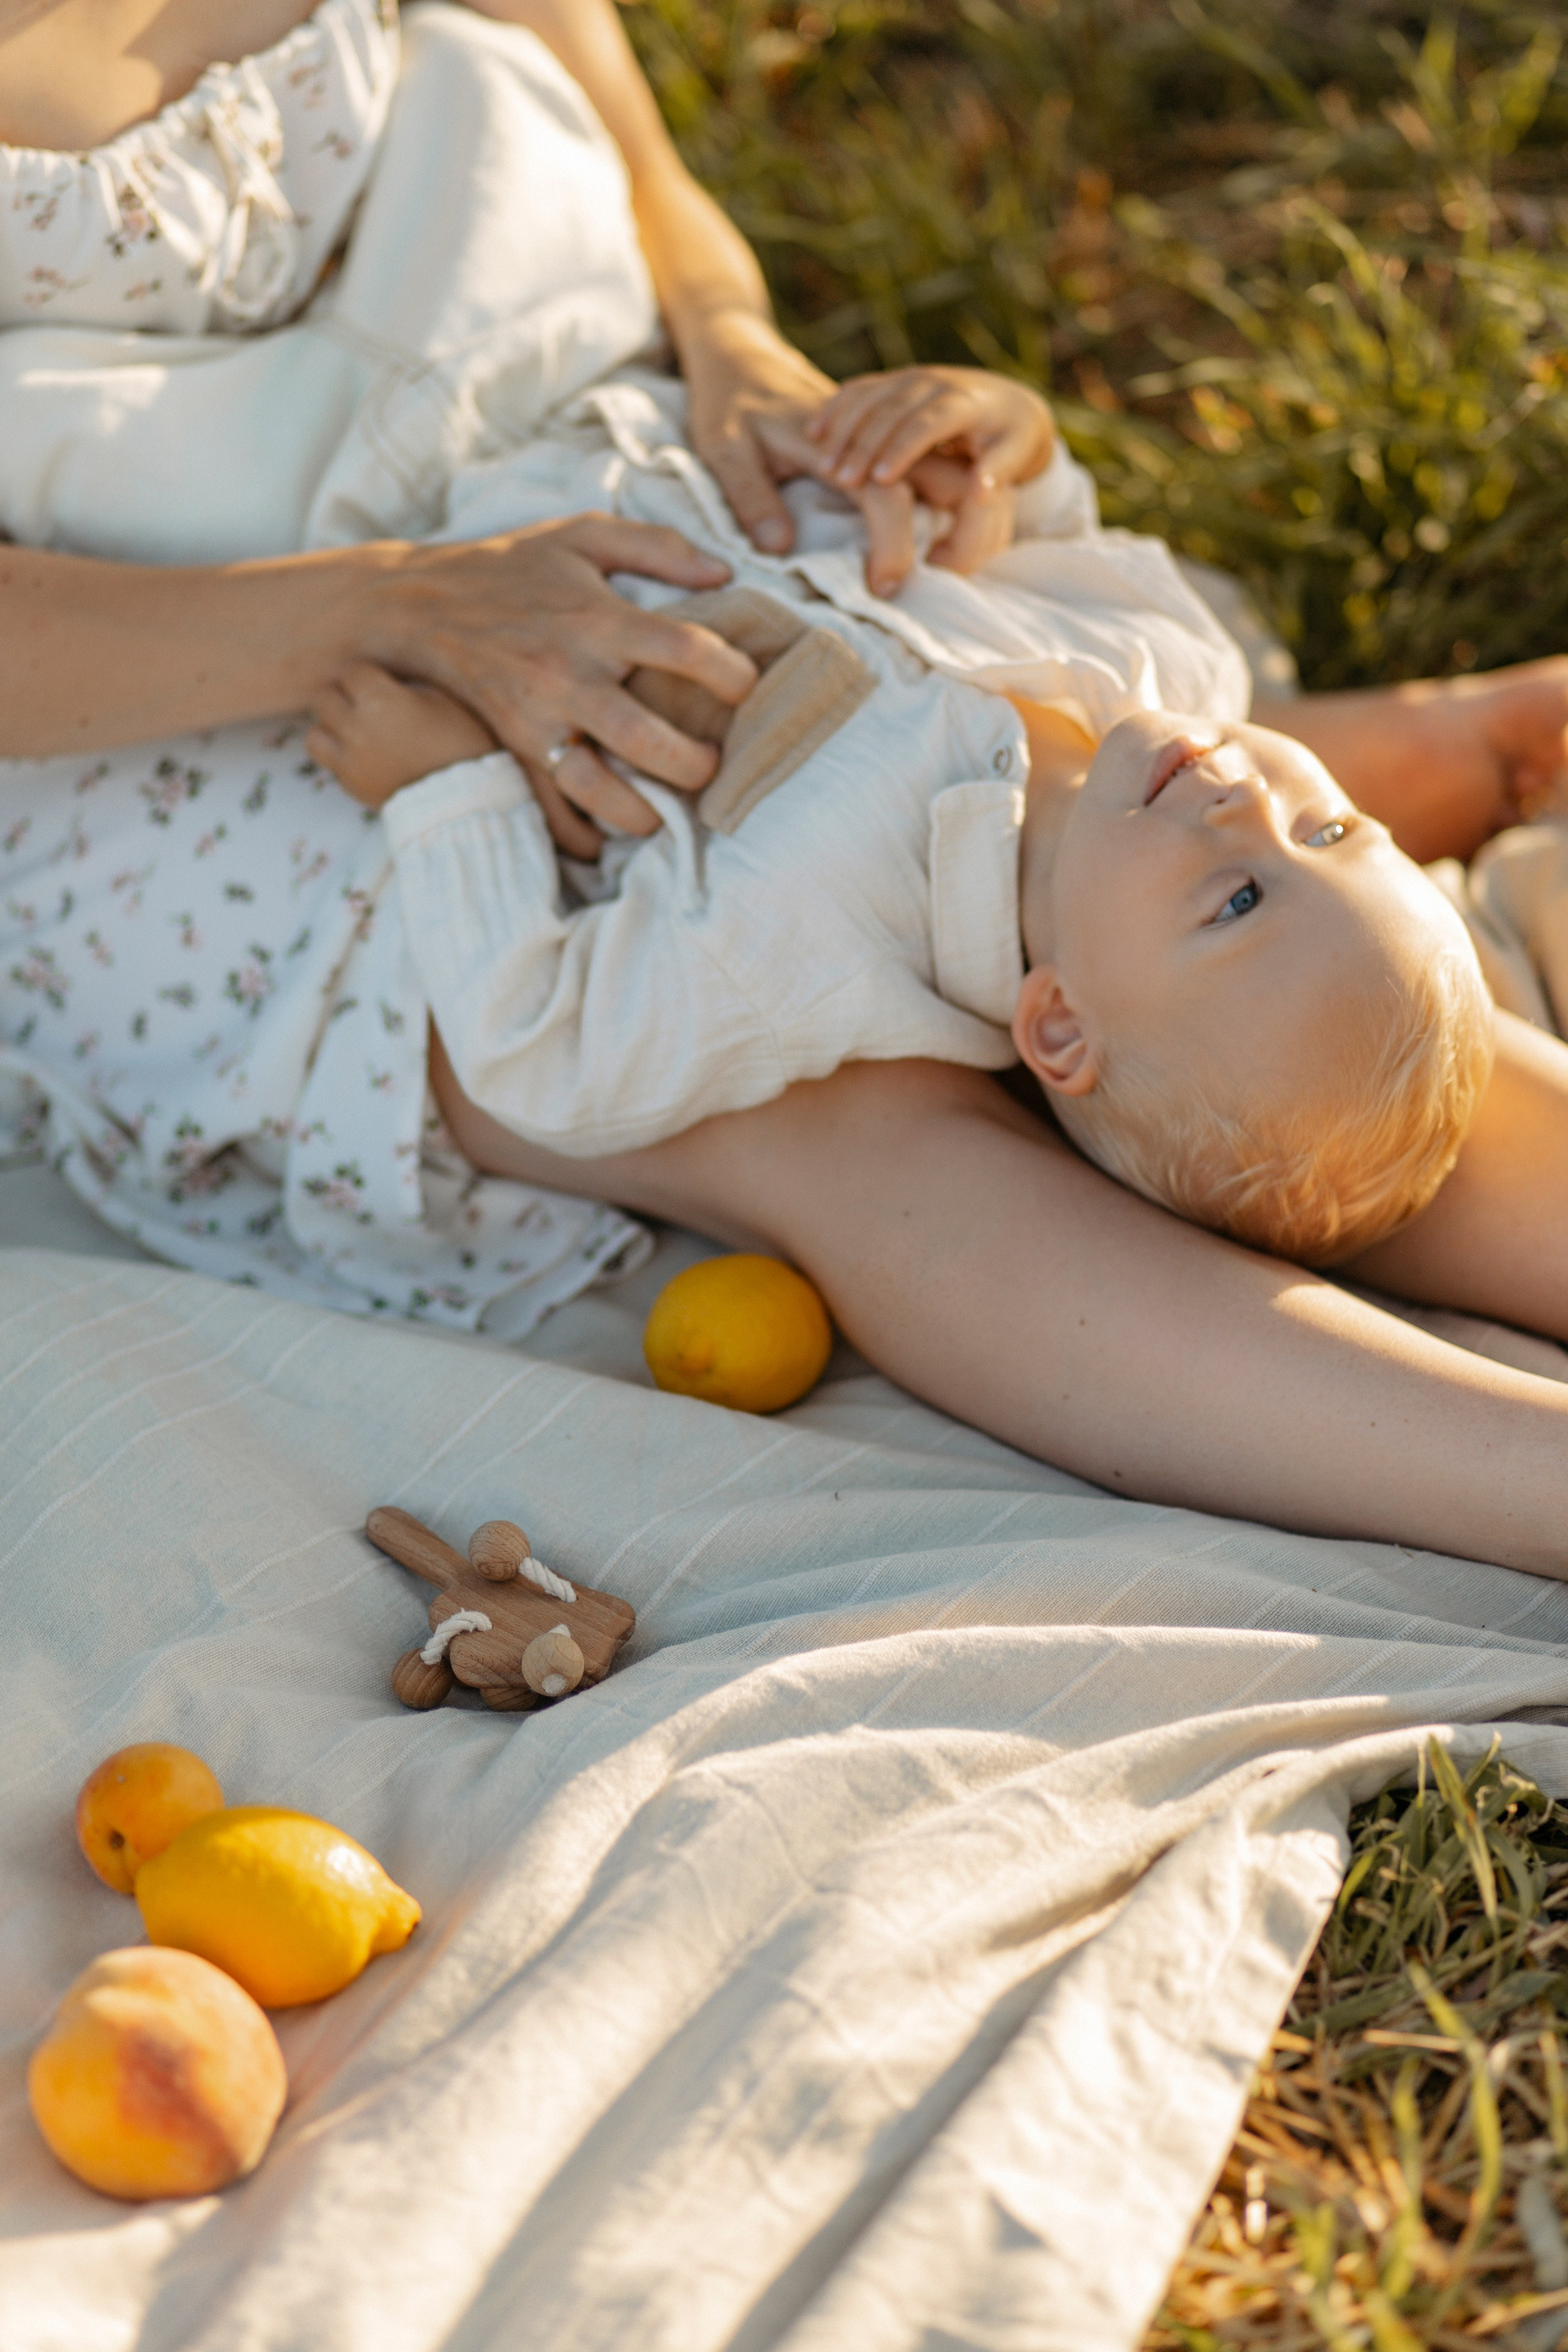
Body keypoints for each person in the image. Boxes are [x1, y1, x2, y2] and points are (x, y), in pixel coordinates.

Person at [10, 0, 1568, 1585]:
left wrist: (729, 324)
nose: (1250, 806)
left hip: (623, 483)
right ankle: (1530, 1482)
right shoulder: (782, 911)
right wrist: (416, 678)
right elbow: (553, 1028)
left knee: (1316, 1025)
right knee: (822, 1091)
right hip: (234, 719)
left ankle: (1343, 795)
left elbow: (583, 72)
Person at [305, 615, 1491, 1268]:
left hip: (427, 594)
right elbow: (1058, 548)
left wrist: (448, 791)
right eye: (1331, 828)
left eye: (1234, 902)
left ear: (1059, 1021)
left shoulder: (821, 921)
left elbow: (547, 1056)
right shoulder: (1163, 674)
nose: (1251, 804)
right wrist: (998, 442)